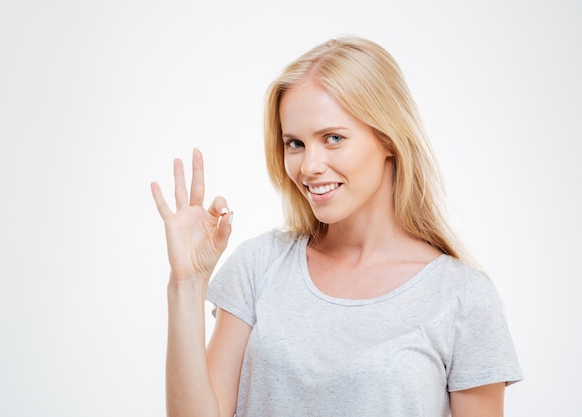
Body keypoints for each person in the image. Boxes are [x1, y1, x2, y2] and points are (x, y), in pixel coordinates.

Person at [151, 36, 522, 417]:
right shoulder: (259, 266)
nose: (309, 165)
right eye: (294, 143)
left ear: (389, 138)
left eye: (333, 138)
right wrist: (187, 283)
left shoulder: (463, 297)